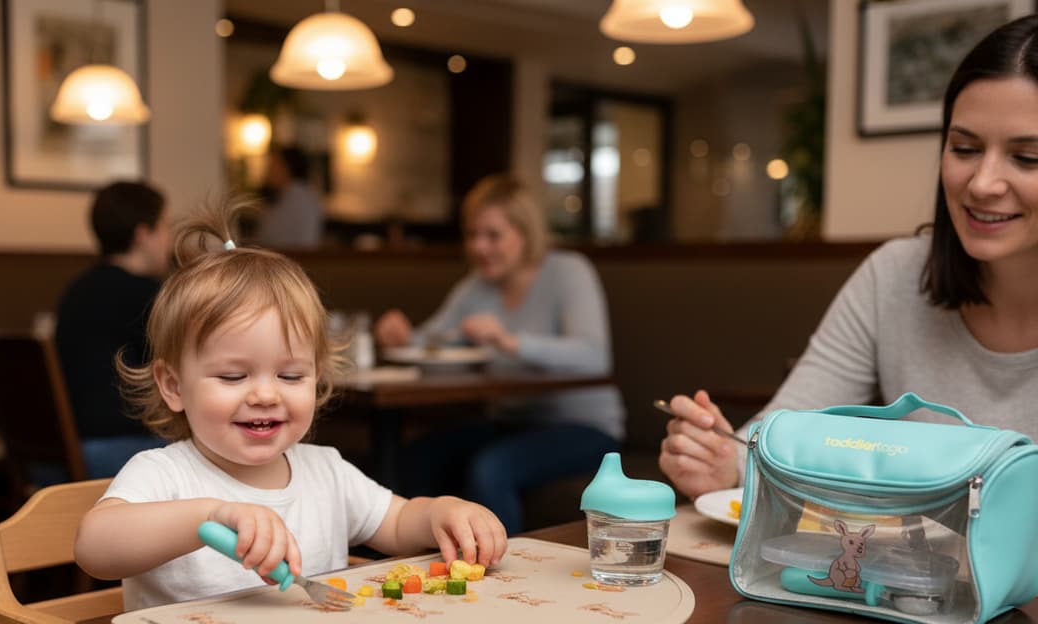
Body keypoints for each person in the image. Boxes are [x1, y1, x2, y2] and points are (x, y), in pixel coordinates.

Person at [73, 198, 507, 624]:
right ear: (174, 385)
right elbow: (96, 546)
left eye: (290, 375)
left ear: (319, 380)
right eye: (232, 377)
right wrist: (208, 515)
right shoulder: (166, 475)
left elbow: (397, 519)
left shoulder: (323, 470)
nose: (264, 396)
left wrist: (442, 512)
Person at [659, 13, 1038, 500]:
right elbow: (781, 432)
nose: (982, 183)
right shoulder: (895, 275)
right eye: (964, 148)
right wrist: (723, 461)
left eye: (1028, 158)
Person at [374, 174, 626, 534]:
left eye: (493, 235)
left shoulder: (569, 272)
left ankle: (507, 576)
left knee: (491, 467)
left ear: (526, 234)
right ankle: (415, 568)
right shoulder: (478, 285)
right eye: (473, 235)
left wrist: (511, 342)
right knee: (415, 458)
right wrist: (402, 337)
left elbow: (594, 355)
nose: (480, 247)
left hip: (585, 427)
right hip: (512, 422)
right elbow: (435, 338)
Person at [55, 180, 169, 479]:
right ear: (143, 235)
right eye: (165, 227)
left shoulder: (78, 289)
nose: (169, 239)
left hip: (59, 453)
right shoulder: (147, 296)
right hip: (115, 450)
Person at [251, 145, 325, 248]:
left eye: (274, 165)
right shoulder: (288, 194)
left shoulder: (299, 197)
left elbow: (274, 237)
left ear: (288, 167)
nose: (268, 170)